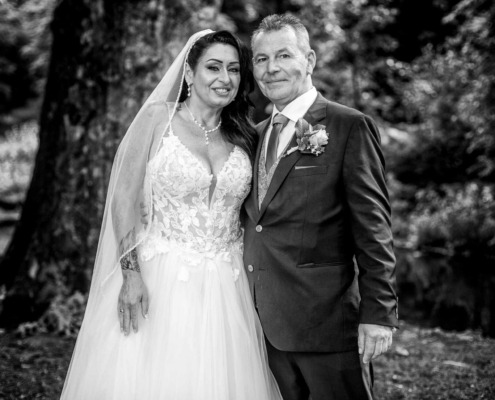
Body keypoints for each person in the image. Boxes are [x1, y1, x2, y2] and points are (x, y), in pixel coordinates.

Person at [61, 30, 282, 400]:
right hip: (161, 276)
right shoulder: (157, 119)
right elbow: (123, 199)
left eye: (233, 69)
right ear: (190, 73)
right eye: (213, 67)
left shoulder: (245, 134)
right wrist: (130, 275)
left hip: (229, 285)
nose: (225, 78)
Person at [243, 14, 399, 400]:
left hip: (327, 326)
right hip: (259, 328)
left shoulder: (349, 127)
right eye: (261, 59)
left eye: (283, 55)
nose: (271, 68)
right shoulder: (252, 137)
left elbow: (373, 228)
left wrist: (379, 314)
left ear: (309, 60)